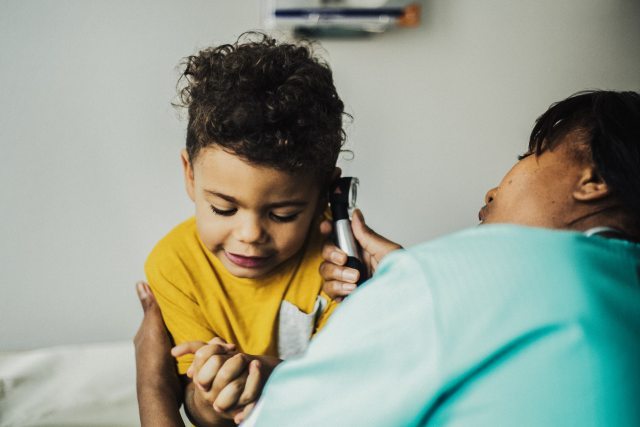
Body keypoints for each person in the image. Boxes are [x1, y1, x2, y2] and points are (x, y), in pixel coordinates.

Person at [137, 90, 640, 426]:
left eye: (527, 155)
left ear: (592, 178)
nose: (495, 186)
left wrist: (153, 385)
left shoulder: (461, 274)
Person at [138, 32, 347, 426]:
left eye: (283, 214)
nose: (250, 234)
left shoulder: (339, 266)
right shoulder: (174, 265)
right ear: (190, 175)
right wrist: (216, 394)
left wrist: (268, 375)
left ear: (326, 194)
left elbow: (345, 389)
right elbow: (195, 406)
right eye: (223, 208)